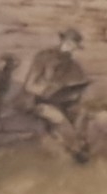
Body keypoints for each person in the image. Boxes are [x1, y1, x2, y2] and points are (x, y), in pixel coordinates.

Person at [18, 28, 93, 163]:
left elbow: (77, 87)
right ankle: (77, 151)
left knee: (82, 113)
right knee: (58, 118)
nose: (70, 49)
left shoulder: (73, 65)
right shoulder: (43, 58)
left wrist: (74, 93)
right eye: (69, 44)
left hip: (63, 101)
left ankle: (80, 146)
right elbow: (29, 85)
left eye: (74, 47)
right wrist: (47, 90)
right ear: (62, 41)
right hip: (38, 101)